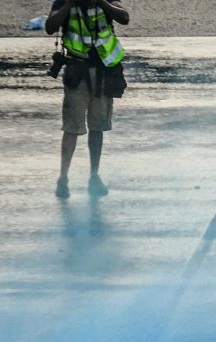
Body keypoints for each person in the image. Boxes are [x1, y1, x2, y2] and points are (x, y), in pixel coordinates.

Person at [45, 0, 129, 199]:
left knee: (97, 127)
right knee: (71, 129)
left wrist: (101, 2)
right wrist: (68, 5)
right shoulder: (64, 2)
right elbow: (50, 27)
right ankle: (63, 179)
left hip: (102, 73)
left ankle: (94, 176)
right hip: (77, 72)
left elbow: (124, 17)